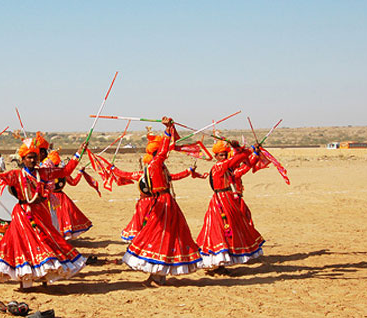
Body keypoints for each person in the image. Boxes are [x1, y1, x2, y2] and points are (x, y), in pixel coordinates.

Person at [0, 138, 88, 289]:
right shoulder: (15, 175)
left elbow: (65, 171)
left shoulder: (44, 173)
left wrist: (78, 154)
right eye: (28, 157)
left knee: (45, 243)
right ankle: (25, 282)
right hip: (22, 215)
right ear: (22, 159)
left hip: (42, 213)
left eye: (34, 157)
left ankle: (45, 278)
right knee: (24, 245)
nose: (32, 160)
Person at [110, 119, 205, 286]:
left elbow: (169, 170)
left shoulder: (158, 165)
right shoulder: (155, 165)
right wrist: (168, 130)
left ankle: (158, 275)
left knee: (161, 236)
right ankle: (157, 274)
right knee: (159, 235)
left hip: (164, 203)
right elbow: (161, 155)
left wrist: (168, 130)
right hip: (163, 203)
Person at [196, 140, 265, 273]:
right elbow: (238, 159)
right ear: (216, 156)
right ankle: (219, 263)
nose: (223, 157)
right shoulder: (220, 167)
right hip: (221, 202)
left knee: (231, 228)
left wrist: (254, 153)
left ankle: (223, 263)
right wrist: (247, 149)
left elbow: (243, 167)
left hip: (227, 200)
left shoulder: (226, 168)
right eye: (221, 155)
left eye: (225, 154)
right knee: (221, 230)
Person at [45, 150, 93, 240]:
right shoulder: (62, 173)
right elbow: (73, 182)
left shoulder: (46, 173)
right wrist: (80, 173)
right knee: (63, 216)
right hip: (62, 198)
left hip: (51, 198)